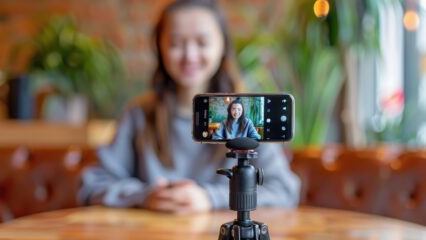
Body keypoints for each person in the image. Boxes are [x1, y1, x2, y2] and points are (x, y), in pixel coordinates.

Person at [79, 0, 300, 214]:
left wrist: (209, 198)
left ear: (222, 46)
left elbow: (284, 190)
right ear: (160, 48)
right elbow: (92, 186)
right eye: (176, 43)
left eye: (202, 43)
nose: (190, 55)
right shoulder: (139, 114)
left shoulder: (249, 117)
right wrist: (146, 196)